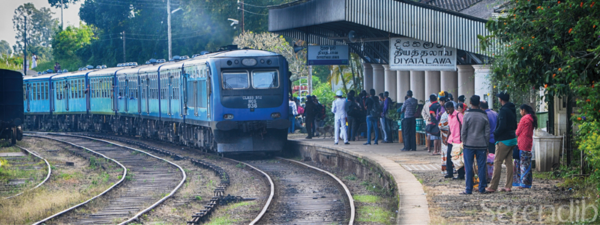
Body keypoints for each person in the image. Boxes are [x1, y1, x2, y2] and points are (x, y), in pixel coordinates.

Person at [486, 92, 518, 193]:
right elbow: (515, 125)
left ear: (500, 99)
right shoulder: (512, 109)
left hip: (503, 140)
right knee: (509, 162)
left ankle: (493, 186)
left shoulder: (503, 110)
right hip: (512, 139)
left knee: (497, 162)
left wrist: (496, 133)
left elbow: (502, 126)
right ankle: (508, 186)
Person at [460, 95, 490, 194]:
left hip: (469, 144)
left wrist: (464, 142)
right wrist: (486, 144)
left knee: (468, 167)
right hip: (481, 144)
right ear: (479, 103)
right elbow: (487, 132)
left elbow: (463, 131)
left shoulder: (467, 115)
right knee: (481, 166)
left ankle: (468, 189)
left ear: (470, 103)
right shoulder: (484, 115)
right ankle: (482, 188)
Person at [513, 104, 537, 189]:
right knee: (526, 163)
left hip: (522, 143)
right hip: (528, 143)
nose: (520, 112)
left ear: (523, 110)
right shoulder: (531, 119)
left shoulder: (524, 119)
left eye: (520, 110)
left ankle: (522, 183)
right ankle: (526, 183)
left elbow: (517, 132)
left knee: (521, 163)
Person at [445, 101, 465, 180]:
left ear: (452, 107)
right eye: (447, 109)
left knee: (458, 157)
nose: (448, 111)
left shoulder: (458, 115)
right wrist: (447, 137)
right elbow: (450, 127)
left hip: (458, 139)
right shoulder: (449, 116)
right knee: (449, 156)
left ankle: (461, 175)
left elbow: (463, 126)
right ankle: (449, 173)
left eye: (449, 109)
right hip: (451, 139)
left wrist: (462, 137)